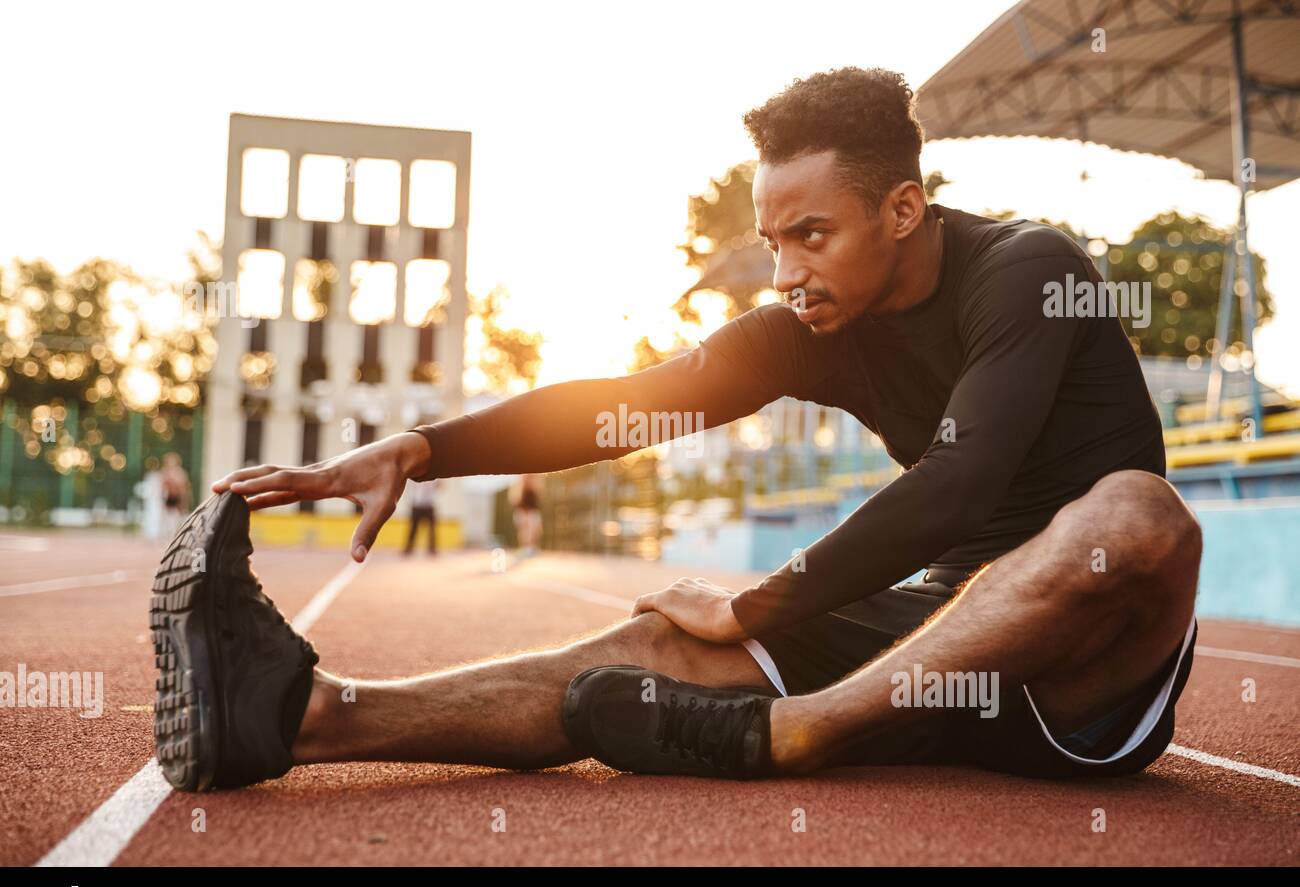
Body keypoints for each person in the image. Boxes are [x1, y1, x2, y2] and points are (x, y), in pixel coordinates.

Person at [152, 66, 1201, 792]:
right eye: (771, 241)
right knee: (654, 647)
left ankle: (797, 733)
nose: (786, 271)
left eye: (811, 235)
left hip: (1085, 672)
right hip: (926, 654)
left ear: (901, 208)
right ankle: (304, 718)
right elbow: (624, 403)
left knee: (1138, 512)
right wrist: (426, 448)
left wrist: (758, 597)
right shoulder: (810, 323)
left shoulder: (1029, 268)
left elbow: (959, 485)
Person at [158, 452, 191, 543]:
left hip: (178, 497)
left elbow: (183, 487)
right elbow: (162, 486)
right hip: (169, 497)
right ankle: (167, 535)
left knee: (178, 517)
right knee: (167, 517)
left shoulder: (180, 473)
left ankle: (178, 535)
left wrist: (183, 500)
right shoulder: (165, 472)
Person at [402, 476, 438, 557]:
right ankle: (408, 548)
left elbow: (441, 486)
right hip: (417, 504)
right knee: (413, 528)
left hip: (429, 504)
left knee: (432, 529)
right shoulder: (415, 478)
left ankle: (432, 549)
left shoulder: (434, 478)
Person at [510, 474, 542, 555]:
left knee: (533, 530)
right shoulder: (519, 487)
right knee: (525, 531)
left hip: (532, 511)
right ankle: (525, 548)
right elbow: (516, 501)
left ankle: (531, 548)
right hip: (523, 512)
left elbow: (536, 502)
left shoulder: (535, 486)